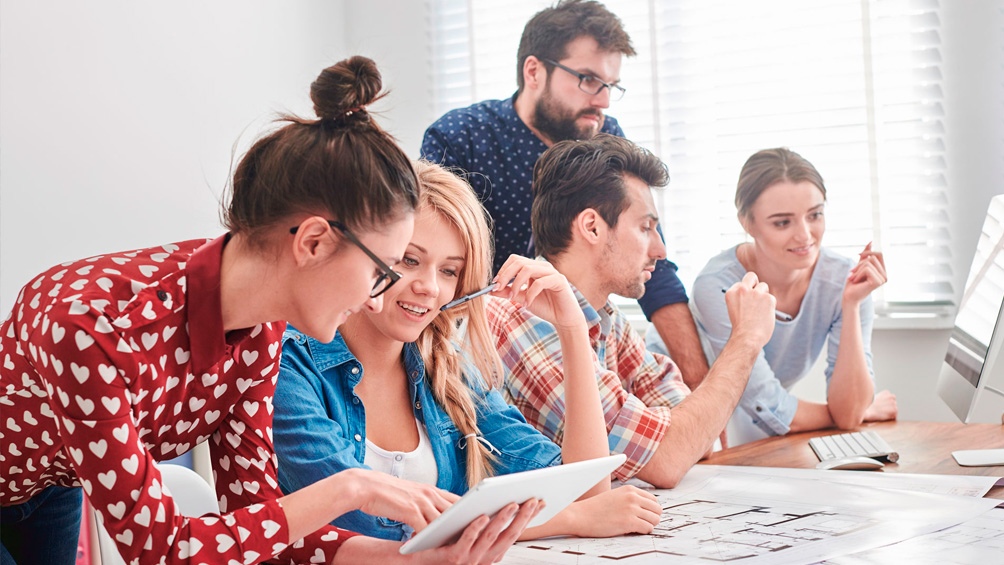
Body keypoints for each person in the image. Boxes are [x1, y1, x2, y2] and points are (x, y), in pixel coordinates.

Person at [0, 56, 538, 565]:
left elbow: (259, 529)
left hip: (51, 480)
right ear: (312, 242)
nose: (379, 294)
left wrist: (412, 558)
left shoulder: (261, 331)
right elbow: (164, 551)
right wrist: (350, 488)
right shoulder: (92, 327)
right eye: (384, 269)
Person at [272, 160, 663, 542]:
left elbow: (584, 492)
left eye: (449, 271)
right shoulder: (289, 365)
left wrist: (572, 327)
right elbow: (363, 526)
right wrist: (568, 518)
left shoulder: (446, 370)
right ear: (373, 253)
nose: (429, 287)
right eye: (410, 260)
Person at [420, 0, 711, 392]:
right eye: (589, 80)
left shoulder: (606, 140)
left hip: (576, 335)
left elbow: (652, 265)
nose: (603, 101)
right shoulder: (462, 137)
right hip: (475, 357)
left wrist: (697, 381)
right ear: (534, 71)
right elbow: (433, 267)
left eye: (610, 86)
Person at [488, 134, 778, 489]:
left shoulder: (608, 320)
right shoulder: (522, 315)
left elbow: (700, 440)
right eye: (646, 227)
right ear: (592, 227)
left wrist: (676, 435)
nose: (659, 249)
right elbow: (668, 459)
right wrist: (746, 339)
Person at [678, 148, 898, 446]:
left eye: (815, 215)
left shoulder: (845, 279)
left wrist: (851, 304)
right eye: (783, 223)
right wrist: (862, 411)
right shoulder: (719, 285)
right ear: (747, 223)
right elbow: (763, 401)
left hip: (754, 429)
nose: (805, 236)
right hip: (680, 410)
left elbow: (848, 415)